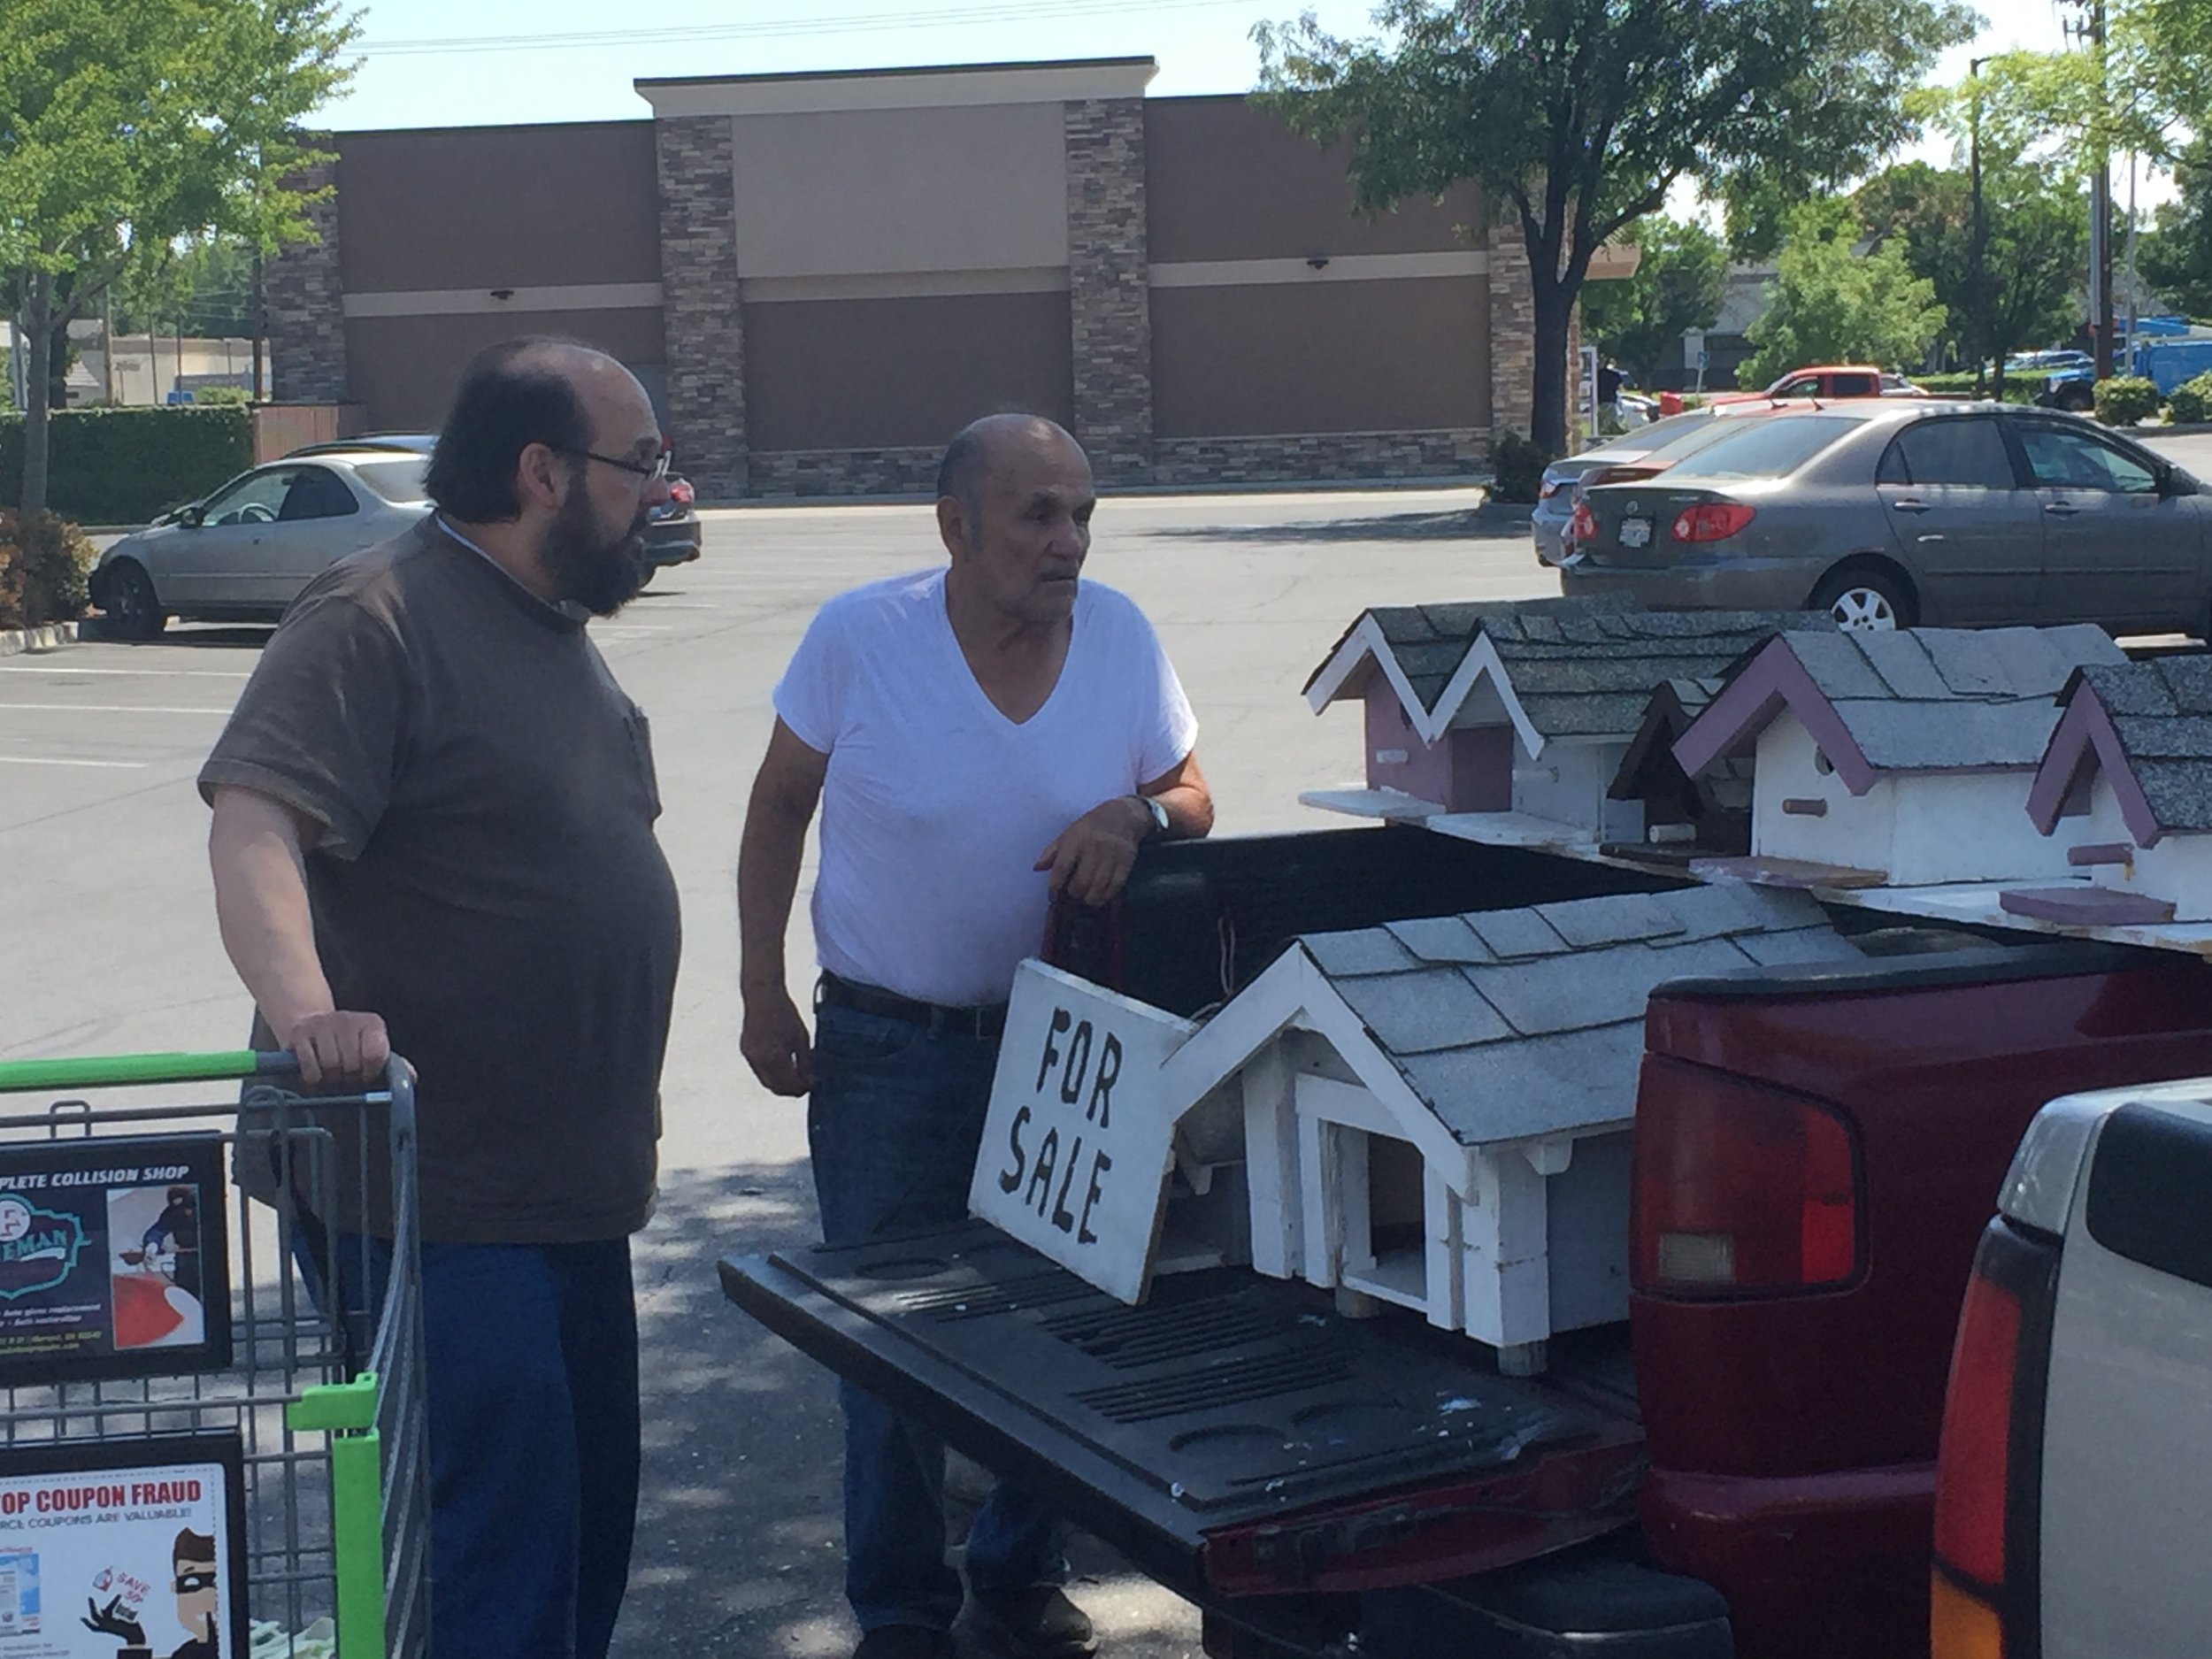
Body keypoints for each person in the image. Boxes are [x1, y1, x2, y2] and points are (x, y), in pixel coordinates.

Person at [198, 338, 682, 1659]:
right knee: (499, 1563)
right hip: (430, 1200)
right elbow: (255, 824)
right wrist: (307, 1013)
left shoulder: (551, 632)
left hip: (564, 1193)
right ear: (541, 472)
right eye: (640, 463)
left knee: (581, 1539)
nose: (661, 491)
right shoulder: (380, 612)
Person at [737, 413, 1212, 1659]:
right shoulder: (862, 637)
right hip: (890, 1049)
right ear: (955, 527)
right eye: (1039, 515)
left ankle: (1016, 1567)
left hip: (1068, 1055)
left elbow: (1195, 792)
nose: (1070, 543)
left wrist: (1134, 814)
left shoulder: (1120, 635)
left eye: (1083, 515)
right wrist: (759, 989)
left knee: (1059, 1321)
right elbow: (780, 806)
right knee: (887, 1337)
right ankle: (898, 1605)